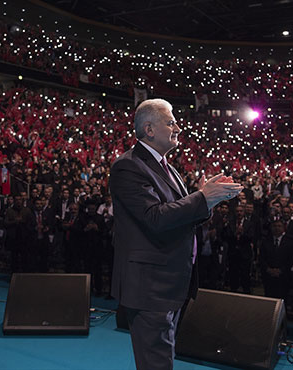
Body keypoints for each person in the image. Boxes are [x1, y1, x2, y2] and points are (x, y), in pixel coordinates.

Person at [109, 98, 243, 370]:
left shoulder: (166, 167)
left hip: (169, 283)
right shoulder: (128, 167)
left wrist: (209, 201)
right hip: (149, 287)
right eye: (171, 122)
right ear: (149, 129)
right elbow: (155, 218)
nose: (178, 127)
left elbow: (179, 216)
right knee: (157, 362)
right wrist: (202, 197)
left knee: (161, 358)